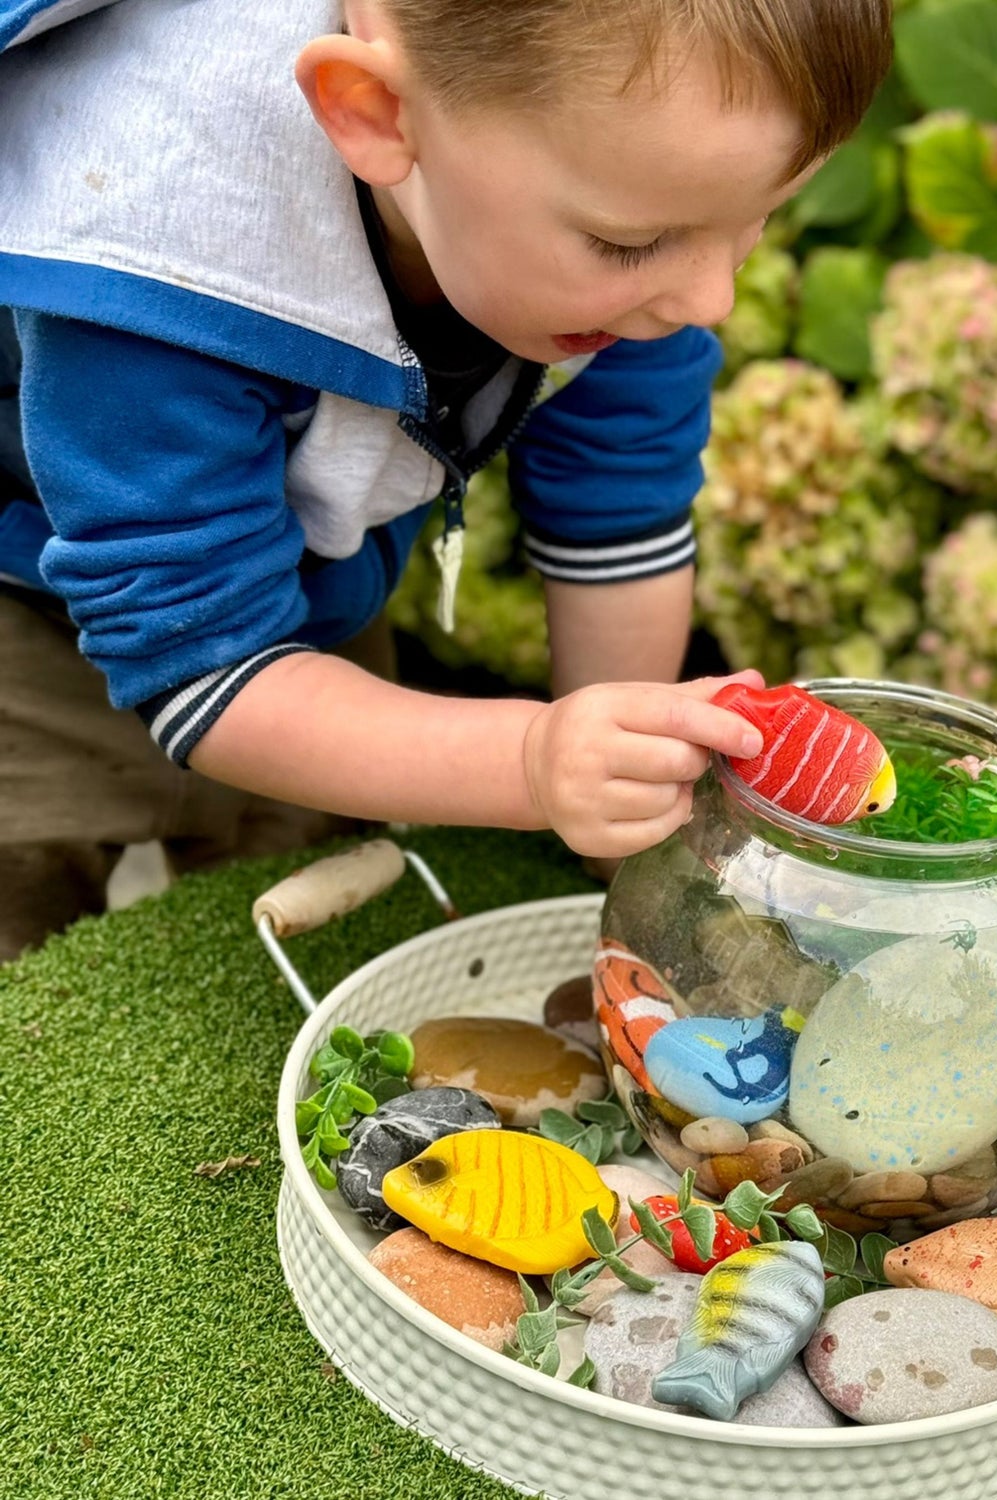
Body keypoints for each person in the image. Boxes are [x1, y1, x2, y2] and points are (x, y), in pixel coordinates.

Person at [0, 0, 893, 956]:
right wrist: (527, 764)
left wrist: (631, 787)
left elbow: (618, 512)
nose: (707, 295)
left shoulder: (633, 212)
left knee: (325, 920)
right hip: (31, 614)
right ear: (379, 114)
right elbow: (199, 650)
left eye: (757, 218)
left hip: (299, 587)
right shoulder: (163, 242)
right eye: (629, 244)